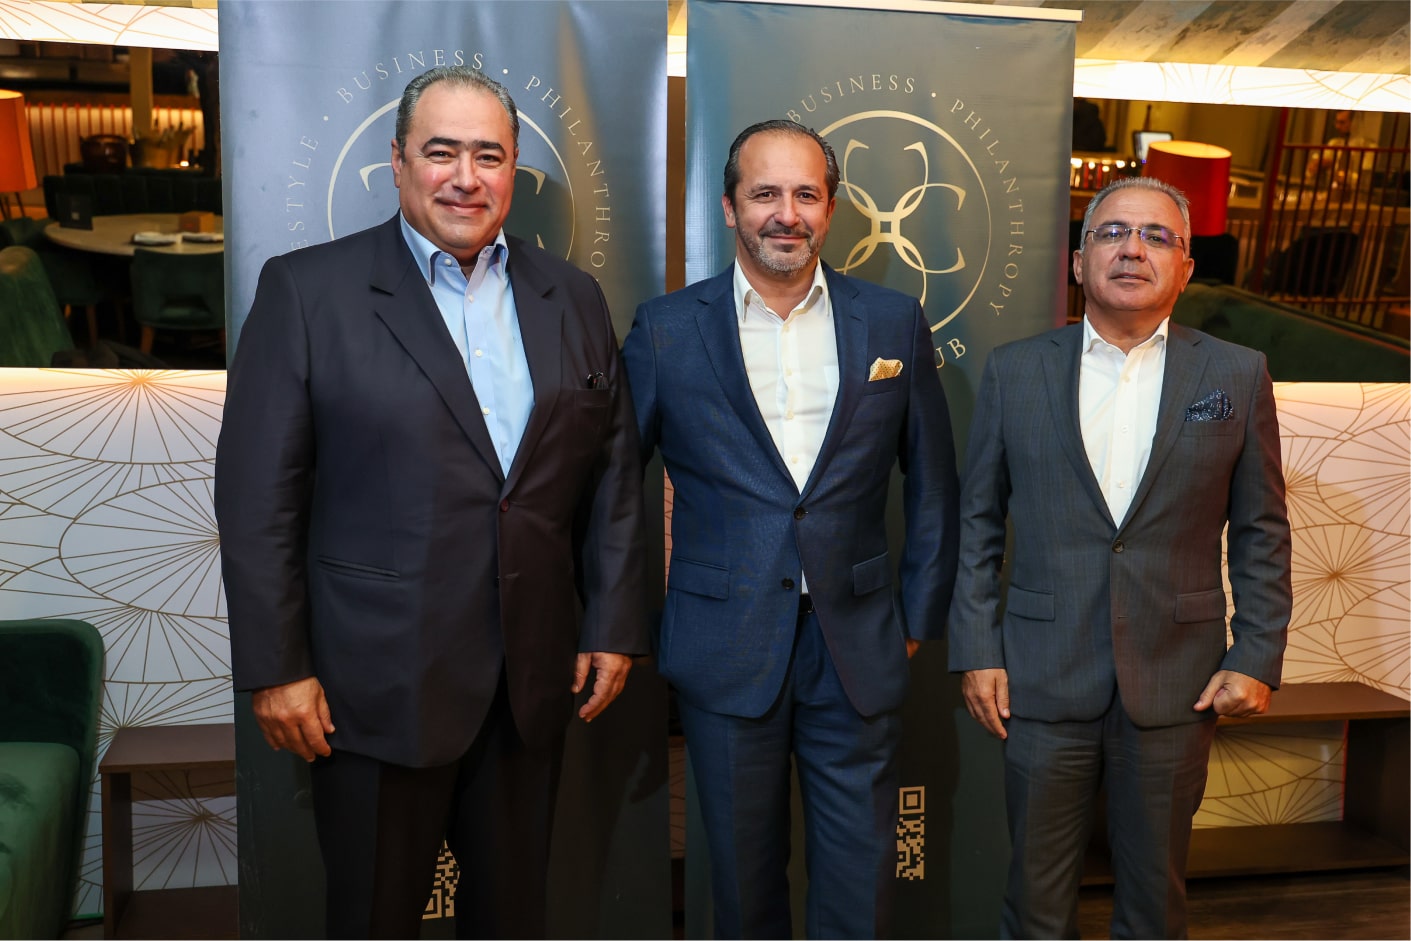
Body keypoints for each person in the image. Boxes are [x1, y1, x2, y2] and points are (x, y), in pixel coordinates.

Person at [214, 65, 647, 939]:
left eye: (488, 155)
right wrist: (275, 666)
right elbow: (259, 497)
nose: (464, 177)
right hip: (371, 688)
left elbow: (611, 475)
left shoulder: (572, 296)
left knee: (512, 920)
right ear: (397, 161)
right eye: (441, 151)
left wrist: (613, 623)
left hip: (529, 683)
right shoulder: (308, 291)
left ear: (514, 167)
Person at [622, 119, 960, 938]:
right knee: (742, 885)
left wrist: (916, 615)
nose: (786, 213)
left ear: (830, 208)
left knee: (860, 882)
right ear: (729, 207)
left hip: (856, 642)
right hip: (723, 641)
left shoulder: (891, 321)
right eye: (764, 193)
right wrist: (632, 619)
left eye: (805, 194)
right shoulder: (665, 328)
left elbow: (933, 480)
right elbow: (610, 488)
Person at [947, 176, 1292, 939]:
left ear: (1185, 268)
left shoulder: (1236, 373)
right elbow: (976, 524)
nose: (1131, 249)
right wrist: (975, 646)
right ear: (1077, 263)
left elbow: (1262, 529)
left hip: (1178, 681)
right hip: (1038, 676)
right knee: (1033, 902)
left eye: (1155, 236)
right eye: (1110, 233)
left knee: (1152, 904)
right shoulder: (1014, 369)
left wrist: (1256, 654)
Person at [1303, 109, 1373, 189]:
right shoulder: (1334, 143)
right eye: (1336, 122)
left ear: (1355, 123)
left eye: (1342, 122)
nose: (1337, 126)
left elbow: (1365, 180)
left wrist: (1339, 172)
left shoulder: (1369, 148)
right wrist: (1316, 165)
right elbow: (1313, 171)